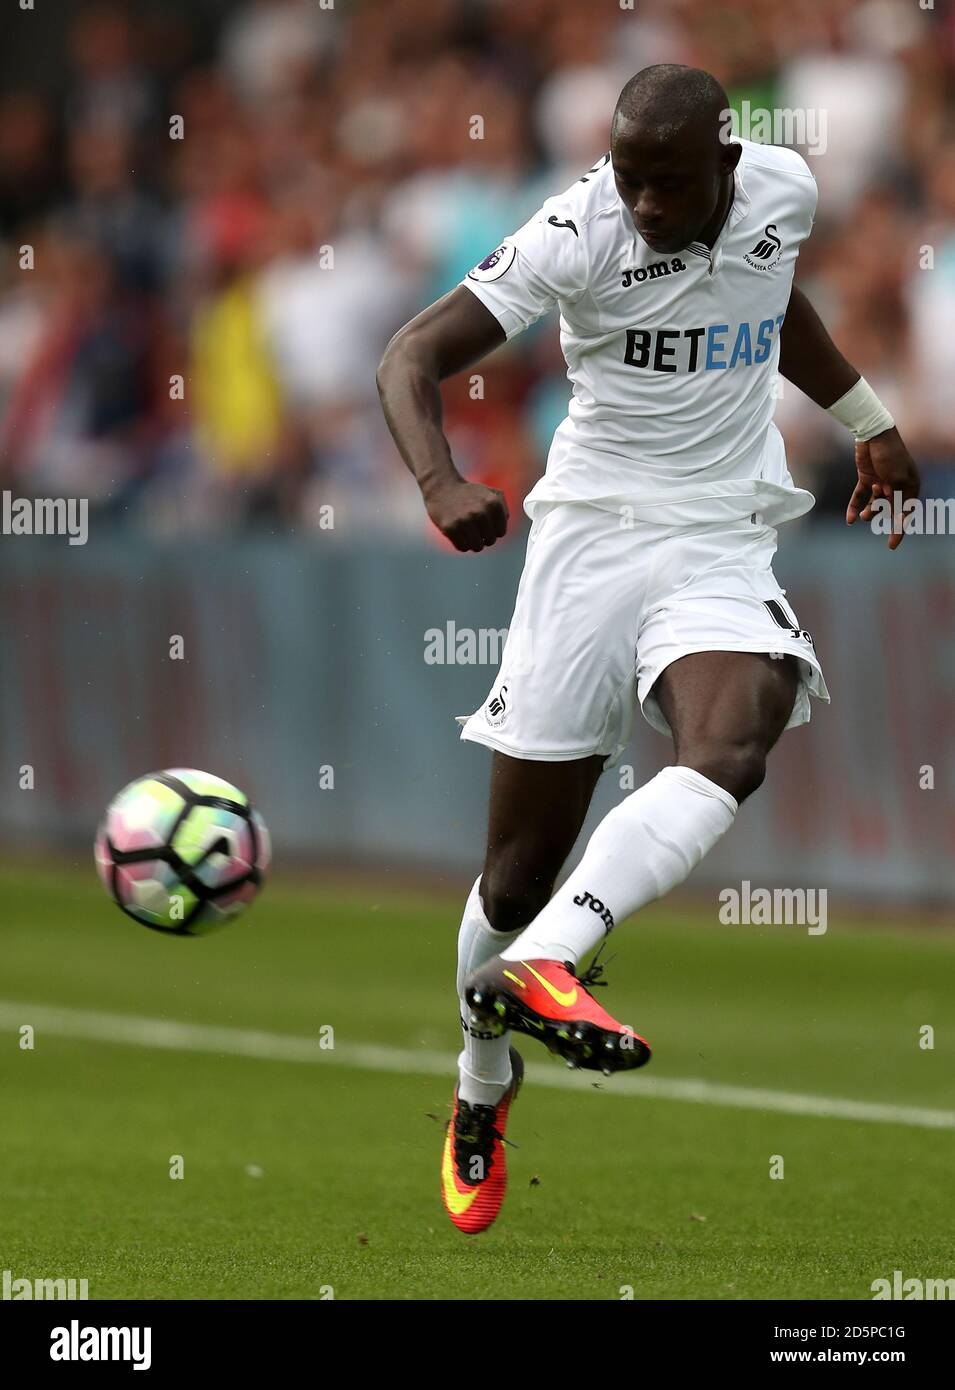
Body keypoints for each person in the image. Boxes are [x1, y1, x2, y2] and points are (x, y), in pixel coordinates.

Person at [376, 65, 919, 1235]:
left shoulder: (783, 189)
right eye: (629, 179)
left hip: (719, 533)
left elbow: (773, 304)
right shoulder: (578, 230)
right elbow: (408, 354)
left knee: (737, 735)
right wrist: (438, 479)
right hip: (589, 537)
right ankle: (482, 1077)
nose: (646, 205)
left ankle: (552, 959)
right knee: (513, 876)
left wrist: (869, 419)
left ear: (726, 164)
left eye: (668, 184)